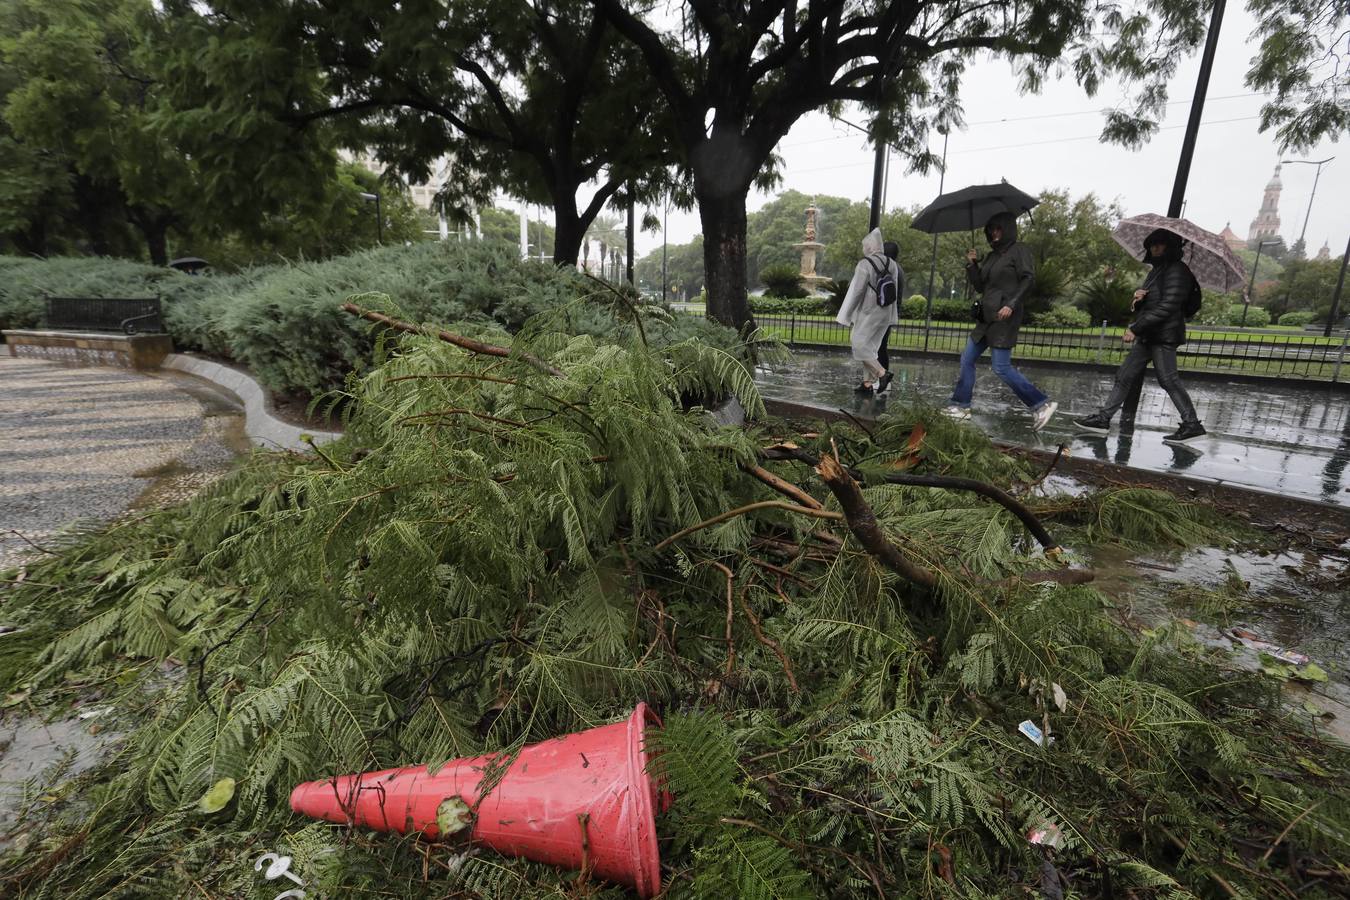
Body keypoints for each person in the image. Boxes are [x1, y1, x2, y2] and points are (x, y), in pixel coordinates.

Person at [1073, 228, 1206, 444]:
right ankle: (1103, 419)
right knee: (1124, 376)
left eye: (1160, 244)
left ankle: (1192, 425)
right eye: (1151, 244)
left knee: (1168, 380)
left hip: (1163, 335)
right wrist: (1140, 298)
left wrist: (1135, 328)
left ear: (1171, 246)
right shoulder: (1157, 271)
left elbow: (1169, 306)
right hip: (1149, 334)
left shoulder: (1177, 271)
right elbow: (1153, 303)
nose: (1154, 248)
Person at [943, 211, 1057, 430]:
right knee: (967, 358)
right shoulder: (992, 256)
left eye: (998, 229)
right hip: (986, 317)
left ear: (1007, 228)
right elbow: (980, 286)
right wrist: (973, 264)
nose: (994, 233)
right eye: (991, 230)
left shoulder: (1019, 250)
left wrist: (1011, 304)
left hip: (1005, 316)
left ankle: (1041, 405)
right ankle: (960, 406)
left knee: (1001, 367)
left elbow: (1028, 278)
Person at [835, 227, 901, 395]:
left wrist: (847, 314)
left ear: (870, 246)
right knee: (871, 348)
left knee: (858, 344)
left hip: (869, 311)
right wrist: (892, 314)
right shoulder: (892, 264)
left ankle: (882, 374)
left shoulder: (865, 264)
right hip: (886, 311)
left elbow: (857, 291)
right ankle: (867, 384)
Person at [873, 240, 905, 391]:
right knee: (880, 346)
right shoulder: (897, 269)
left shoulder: (891, 269)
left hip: (885, 314)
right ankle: (881, 376)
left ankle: (882, 376)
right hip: (891, 314)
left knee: (879, 347)